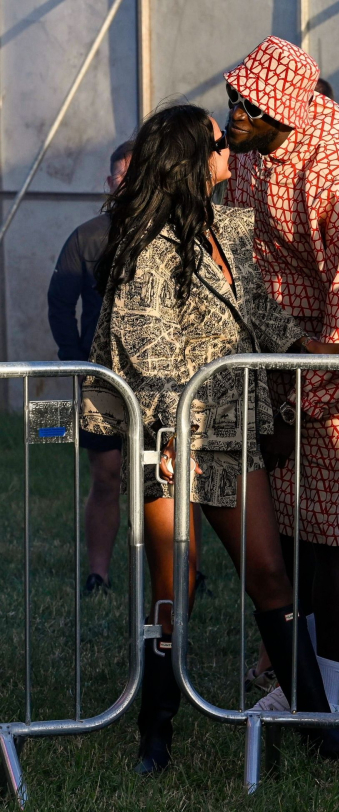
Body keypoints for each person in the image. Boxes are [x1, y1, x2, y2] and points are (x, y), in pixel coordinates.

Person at [80, 102, 339, 774]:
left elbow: (259, 311)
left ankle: (319, 732)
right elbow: (144, 346)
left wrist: (311, 348)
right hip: (171, 436)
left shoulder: (227, 227)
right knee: (172, 588)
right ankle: (155, 738)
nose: (230, 150)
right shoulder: (146, 243)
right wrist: (165, 434)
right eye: (218, 142)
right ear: (191, 158)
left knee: (269, 575)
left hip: (231, 431)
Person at [223, 36, 339, 745]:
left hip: (331, 382)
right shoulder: (245, 161)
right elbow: (238, 260)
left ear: (283, 108)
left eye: (246, 103)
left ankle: (326, 694)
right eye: (232, 97)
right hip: (267, 362)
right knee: (279, 537)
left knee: (328, 539)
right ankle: (291, 681)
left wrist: (308, 396)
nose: (231, 111)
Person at [48, 141, 133, 593]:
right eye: (121, 176)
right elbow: (59, 302)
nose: (128, 184)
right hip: (101, 379)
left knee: (170, 479)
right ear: (109, 183)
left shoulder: (176, 234)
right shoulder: (87, 236)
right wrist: (75, 359)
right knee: (107, 474)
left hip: (160, 379)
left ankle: (185, 573)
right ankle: (98, 574)